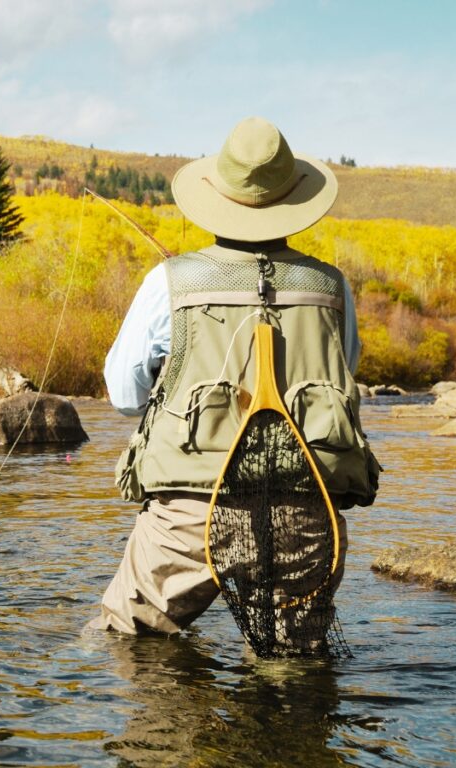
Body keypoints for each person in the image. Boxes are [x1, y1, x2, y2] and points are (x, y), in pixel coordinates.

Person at [88, 116, 379, 641]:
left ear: (217, 197)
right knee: (294, 680)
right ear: (294, 202)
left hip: (188, 513)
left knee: (129, 646)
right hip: (305, 507)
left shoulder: (168, 282)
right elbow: (344, 374)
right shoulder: (331, 287)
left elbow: (124, 395)